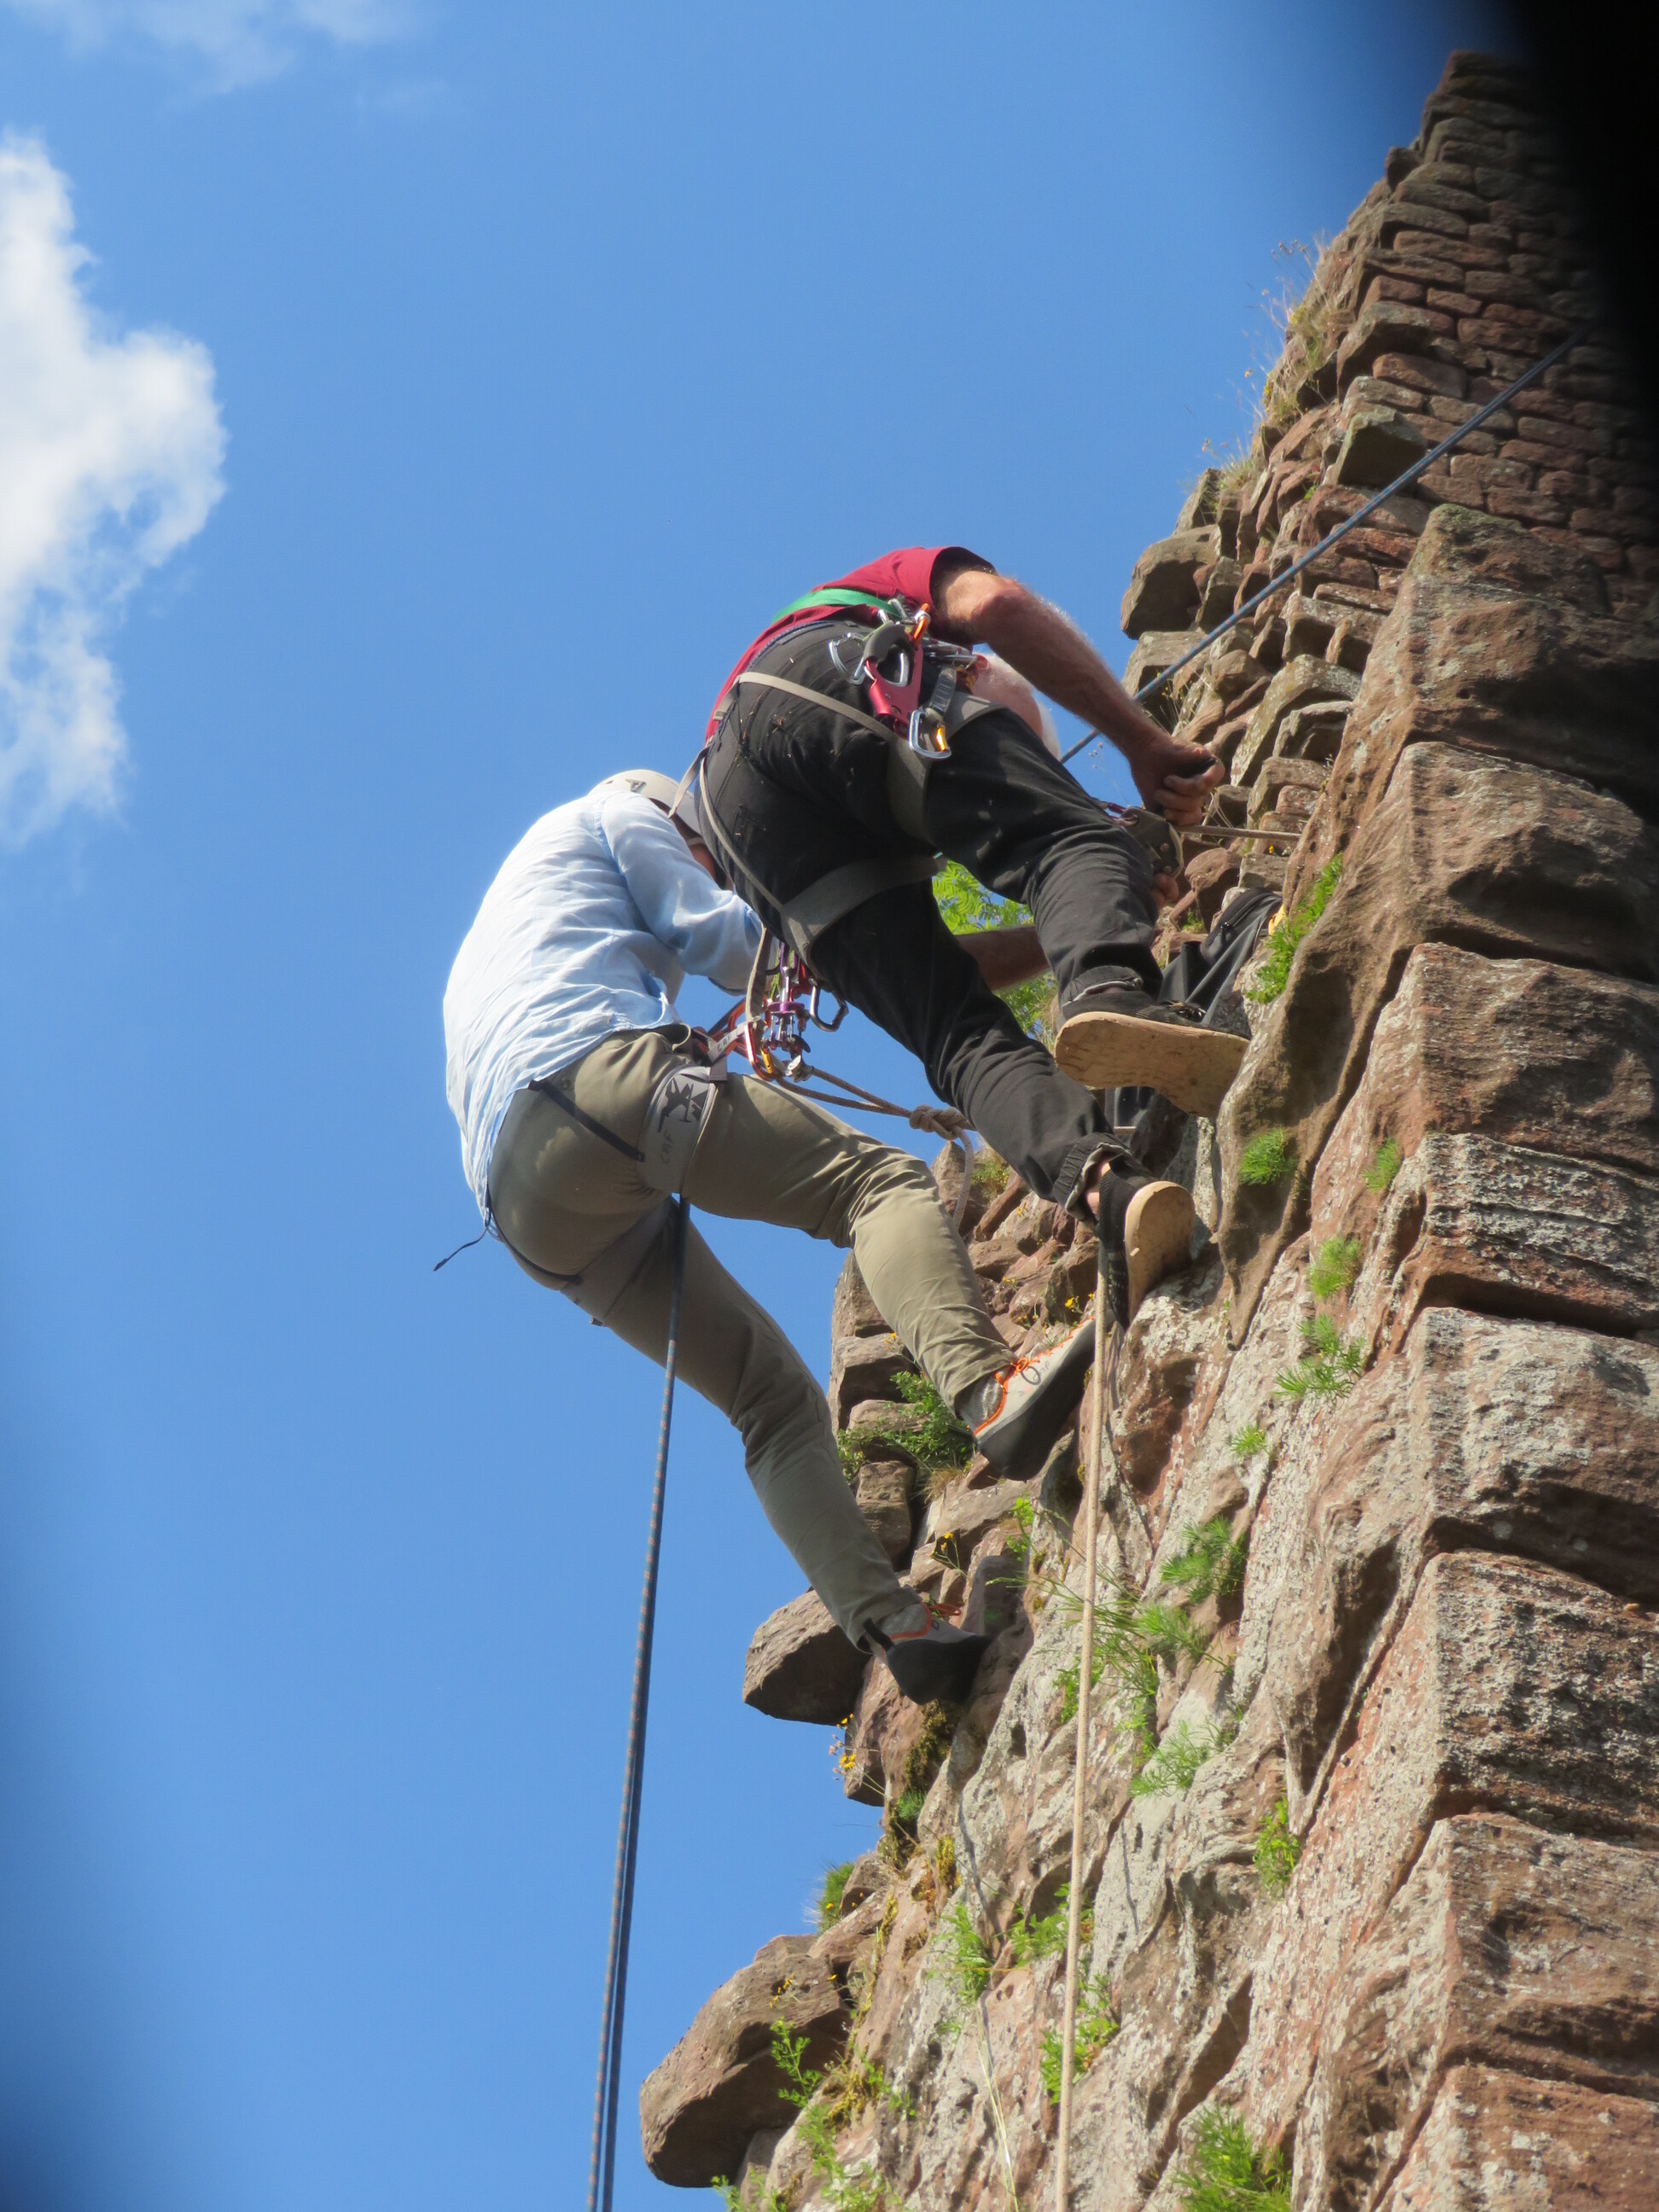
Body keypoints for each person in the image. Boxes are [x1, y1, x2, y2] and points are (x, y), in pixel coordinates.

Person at [441, 771, 1189, 1705]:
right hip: (594, 1079)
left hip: (525, 1206)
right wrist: (845, 936)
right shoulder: (621, 811)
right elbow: (722, 941)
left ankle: (892, 1626)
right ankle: (987, 1388)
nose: (717, 868)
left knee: (766, 1402)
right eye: (714, 855)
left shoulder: (516, 913)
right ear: (679, 818)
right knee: (877, 1186)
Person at [684, 545, 1243, 1315]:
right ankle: (1112, 993)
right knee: (1077, 839)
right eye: (1014, 743)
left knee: (956, 1036)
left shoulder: (865, 786)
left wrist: (1064, 932)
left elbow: (957, 973)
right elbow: (997, 607)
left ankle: (1113, 1195)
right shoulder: (892, 598)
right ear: (969, 674)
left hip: (740, 826)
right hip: (814, 681)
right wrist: (1143, 745)